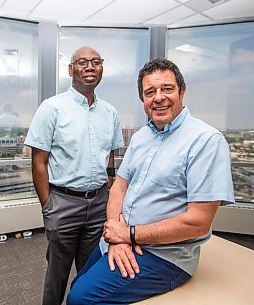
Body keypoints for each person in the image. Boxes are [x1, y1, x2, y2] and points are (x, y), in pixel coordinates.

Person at [67, 58, 235, 304]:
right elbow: (119, 188)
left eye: (167, 89)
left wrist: (129, 235)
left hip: (164, 255)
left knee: (80, 299)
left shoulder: (206, 141)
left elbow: (198, 222)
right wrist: (116, 233)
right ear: (143, 99)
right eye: (150, 92)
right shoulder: (141, 136)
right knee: (76, 285)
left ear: (182, 91)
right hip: (124, 235)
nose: (158, 97)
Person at [25, 46, 124, 305]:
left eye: (96, 62)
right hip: (62, 204)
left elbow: (110, 156)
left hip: (98, 203)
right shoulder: (52, 108)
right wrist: (49, 205)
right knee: (56, 274)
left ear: (102, 67)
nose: (90, 67)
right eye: (82, 62)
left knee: (92, 273)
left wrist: (109, 186)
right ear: (71, 69)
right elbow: (38, 162)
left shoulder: (110, 112)